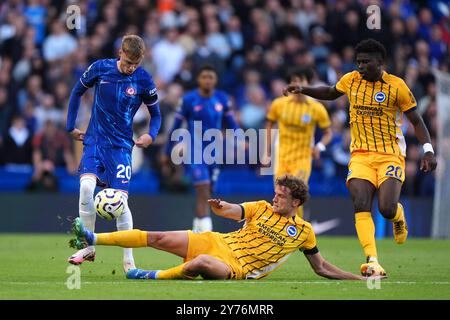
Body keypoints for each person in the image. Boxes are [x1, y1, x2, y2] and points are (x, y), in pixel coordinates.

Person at [284, 39, 437, 276]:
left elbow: (416, 121)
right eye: (358, 62)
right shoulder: (351, 80)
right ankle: (373, 260)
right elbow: (330, 92)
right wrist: (304, 89)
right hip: (360, 155)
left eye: (366, 62)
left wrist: (428, 149)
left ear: (380, 63)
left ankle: (398, 215)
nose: (361, 66)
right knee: (360, 203)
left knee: (386, 208)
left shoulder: (397, 86)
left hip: (390, 155)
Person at [70, 174, 370, 281]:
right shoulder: (262, 207)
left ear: (296, 202)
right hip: (216, 241)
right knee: (157, 236)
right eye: (276, 193)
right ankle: (93, 236)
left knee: (199, 265)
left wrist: (356, 279)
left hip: (234, 267)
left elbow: (321, 267)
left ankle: (147, 275)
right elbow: (234, 211)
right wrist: (220, 206)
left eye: (281, 196)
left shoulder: (303, 231)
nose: (275, 198)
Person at [66, 35, 161, 272]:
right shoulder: (100, 69)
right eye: (128, 62)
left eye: (135, 64)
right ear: (121, 52)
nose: (131, 68)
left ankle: (129, 261)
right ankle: (88, 247)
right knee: (86, 188)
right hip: (95, 141)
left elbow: (156, 114)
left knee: (120, 203)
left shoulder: (144, 79)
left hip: (120, 148)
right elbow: (77, 92)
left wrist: (152, 134)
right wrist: (70, 126)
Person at [161, 65, 239, 233]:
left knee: (208, 193)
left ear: (215, 80)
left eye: (210, 77)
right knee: (203, 190)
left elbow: (231, 123)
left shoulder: (222, 99)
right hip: (195, 150)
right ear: (199, 80)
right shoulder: (188, 100)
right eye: (204, 77)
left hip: (215, 152)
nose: (207, 80)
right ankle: (206, 233)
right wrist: (167, 152)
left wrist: (242, 140)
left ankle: (197, 229)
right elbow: (175, 126)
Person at [265, 67, 332, 218]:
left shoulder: (316, 108)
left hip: (302, 158)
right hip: (281, 157)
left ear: (308, 83)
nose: (296, 83)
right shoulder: (279, 104)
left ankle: (296, 229)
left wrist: (319, 147)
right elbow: (269, 124)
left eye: (300, 80)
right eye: (293, 80)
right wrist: (266, 151)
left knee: (295, 193)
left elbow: (328, 133)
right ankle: (286, 229)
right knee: (281, 195)